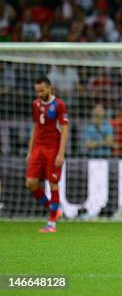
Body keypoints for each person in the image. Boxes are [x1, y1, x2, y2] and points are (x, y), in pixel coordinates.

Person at [25, 76, 69, 233]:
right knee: (31, 183)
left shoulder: (59, 105)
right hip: (38, 148)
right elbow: (36, 127)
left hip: (53, 148)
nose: (39, 93)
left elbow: (64, 129)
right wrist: (30, 151)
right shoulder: (36, 104)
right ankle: (54, 209)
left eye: (42, 90)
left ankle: (51, 223)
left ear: (50, 88)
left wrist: (61, 153)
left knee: (53, 184)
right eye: (37, 91)